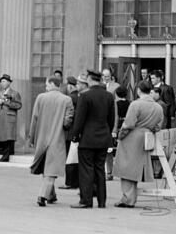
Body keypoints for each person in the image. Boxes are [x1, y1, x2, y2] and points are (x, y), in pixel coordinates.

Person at [69, 69, 115, 209]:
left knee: (86, 171)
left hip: (88, 139)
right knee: (99, 170)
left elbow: (79, 119)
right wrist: (106, 133)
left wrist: (75, 136)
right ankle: (102, 201)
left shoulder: (85, 96)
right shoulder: (108, 96)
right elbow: (111, 119)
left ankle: (86, 200)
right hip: (103, 139)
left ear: (90, 79)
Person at [113, 80, 164, 208]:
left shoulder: (136, 104)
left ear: (139, 90)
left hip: (131, 137)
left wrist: (120, 135)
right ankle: (130, 198)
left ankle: (127, 198)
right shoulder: (158, 107)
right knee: (136, 169)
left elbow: (129, 124)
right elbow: (158, 126)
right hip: (147, 137)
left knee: (126, 168)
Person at [27, 76, 74, 206]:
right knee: (52, 169)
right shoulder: (67, 100)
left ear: (53, 84)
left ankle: (49, 194)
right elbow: (67, 121)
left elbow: (34, 119)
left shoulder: (41, 98)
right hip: (57, 138)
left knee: (45, 167)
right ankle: (44, 195)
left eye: (47, 84)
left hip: (41, 137)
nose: (45, 86)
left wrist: (32, 138)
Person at [0, 74, 22, 161]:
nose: (2, 83)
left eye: (4, 81)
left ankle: (6, 156)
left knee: (8, 136)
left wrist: (6, 103)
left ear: (9, 82)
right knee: (0, 136)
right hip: (0, 117)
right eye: (1, 81)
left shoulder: (15, 93)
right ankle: (1, 154)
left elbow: (19, 105)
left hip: (9, 117)